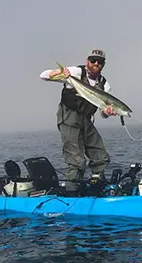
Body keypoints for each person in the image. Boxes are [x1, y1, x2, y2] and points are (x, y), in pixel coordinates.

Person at [40, 49, 117, 191]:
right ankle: (72, 191)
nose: (96, 63)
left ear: (103, 64)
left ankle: (97, 186)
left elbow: (103, 113)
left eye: (99, 62)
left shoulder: (105, 85)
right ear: (87, 61)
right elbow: (43, 75)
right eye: (93, 60)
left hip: (86, 120)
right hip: (69, 118)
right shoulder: (75, 72)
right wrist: (59, 73)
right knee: (76, 160)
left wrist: (107, 112)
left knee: (100, 156)